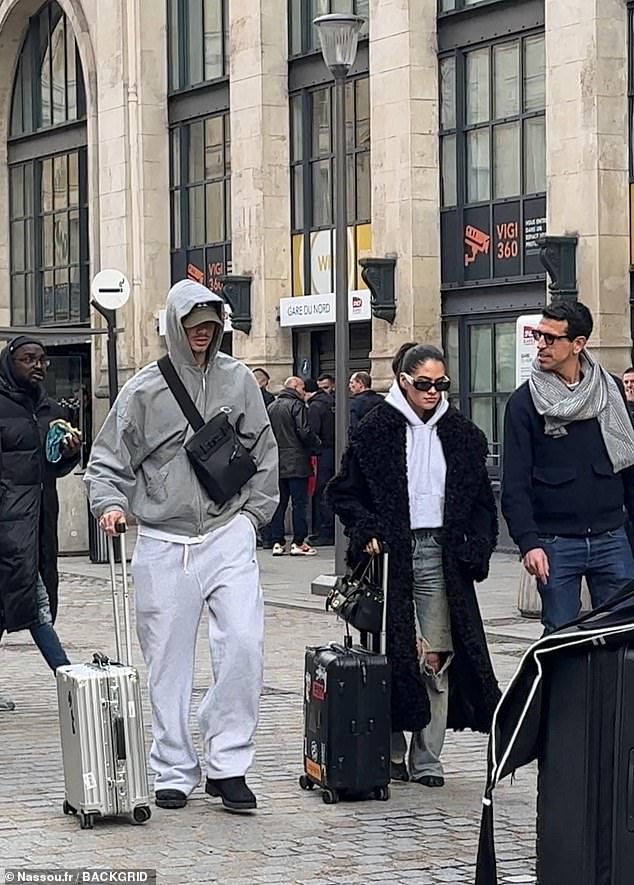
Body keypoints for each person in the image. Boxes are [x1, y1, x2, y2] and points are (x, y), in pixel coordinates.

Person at [85, 280, 279, 813]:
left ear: (220, 328)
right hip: (165, 540)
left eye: (210, 325)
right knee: (168, 661)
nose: (202, 334)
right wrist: (110, 505)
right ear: (175, 327)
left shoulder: (238, 379)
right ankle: (172, 766)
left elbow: (264, 449)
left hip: (227, 532)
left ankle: (229, 762)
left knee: (243, 644)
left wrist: (253, 519)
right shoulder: (144, 389)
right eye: (193, 325)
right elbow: (107, 460)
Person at [328, 343, 500, 787]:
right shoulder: (376, 429)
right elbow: (344, 491)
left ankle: (427, 759)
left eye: (441, 384)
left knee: (438, 658)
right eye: (423, 383)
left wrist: (474, 547)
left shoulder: (461, 434)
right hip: (390, 556)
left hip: (441, 552)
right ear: (403, 379)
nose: (433, 392)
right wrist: (366, 529)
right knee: (390, 654)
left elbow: (482, 502)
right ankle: (389, 754)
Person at [502, 301, 634, 634]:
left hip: (612, 537)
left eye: (550, 338)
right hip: (556, 542)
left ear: (578, 344)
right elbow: (515, 483)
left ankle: (612, 691)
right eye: (538, 336)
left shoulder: (611, 389)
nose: (541, 345)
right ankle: (560, 690)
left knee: (620, 634)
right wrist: (528, 542)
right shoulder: (524, 402)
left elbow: (629, 468)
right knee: (560, 639)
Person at [0, 336, 81, 705]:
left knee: (12, 603)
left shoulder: (48, 408)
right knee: (34, 604)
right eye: (28, 359)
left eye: (42, 360)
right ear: (9, 363)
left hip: (41, 518)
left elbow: (52, 466)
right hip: (9, 522)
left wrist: (68, 454)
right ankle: (73, 683)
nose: (38, 366)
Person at [267, 377, 320, 556]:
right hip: (297, 461)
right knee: (299, 503)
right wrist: (316, 444)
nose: (304, 392)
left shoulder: (272, 407)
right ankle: (298, 542)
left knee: (279, 503)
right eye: (303, 388)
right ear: (296, 387)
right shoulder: (297, 406)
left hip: (277, 461)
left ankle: (277, 541)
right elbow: (304, 431)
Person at [304, 379, 335, 546]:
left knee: (321, 491)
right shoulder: (331, 401)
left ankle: (324, 531)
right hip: (334, 452)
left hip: (322, 454)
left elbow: (312, 432)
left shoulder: (315, 407)